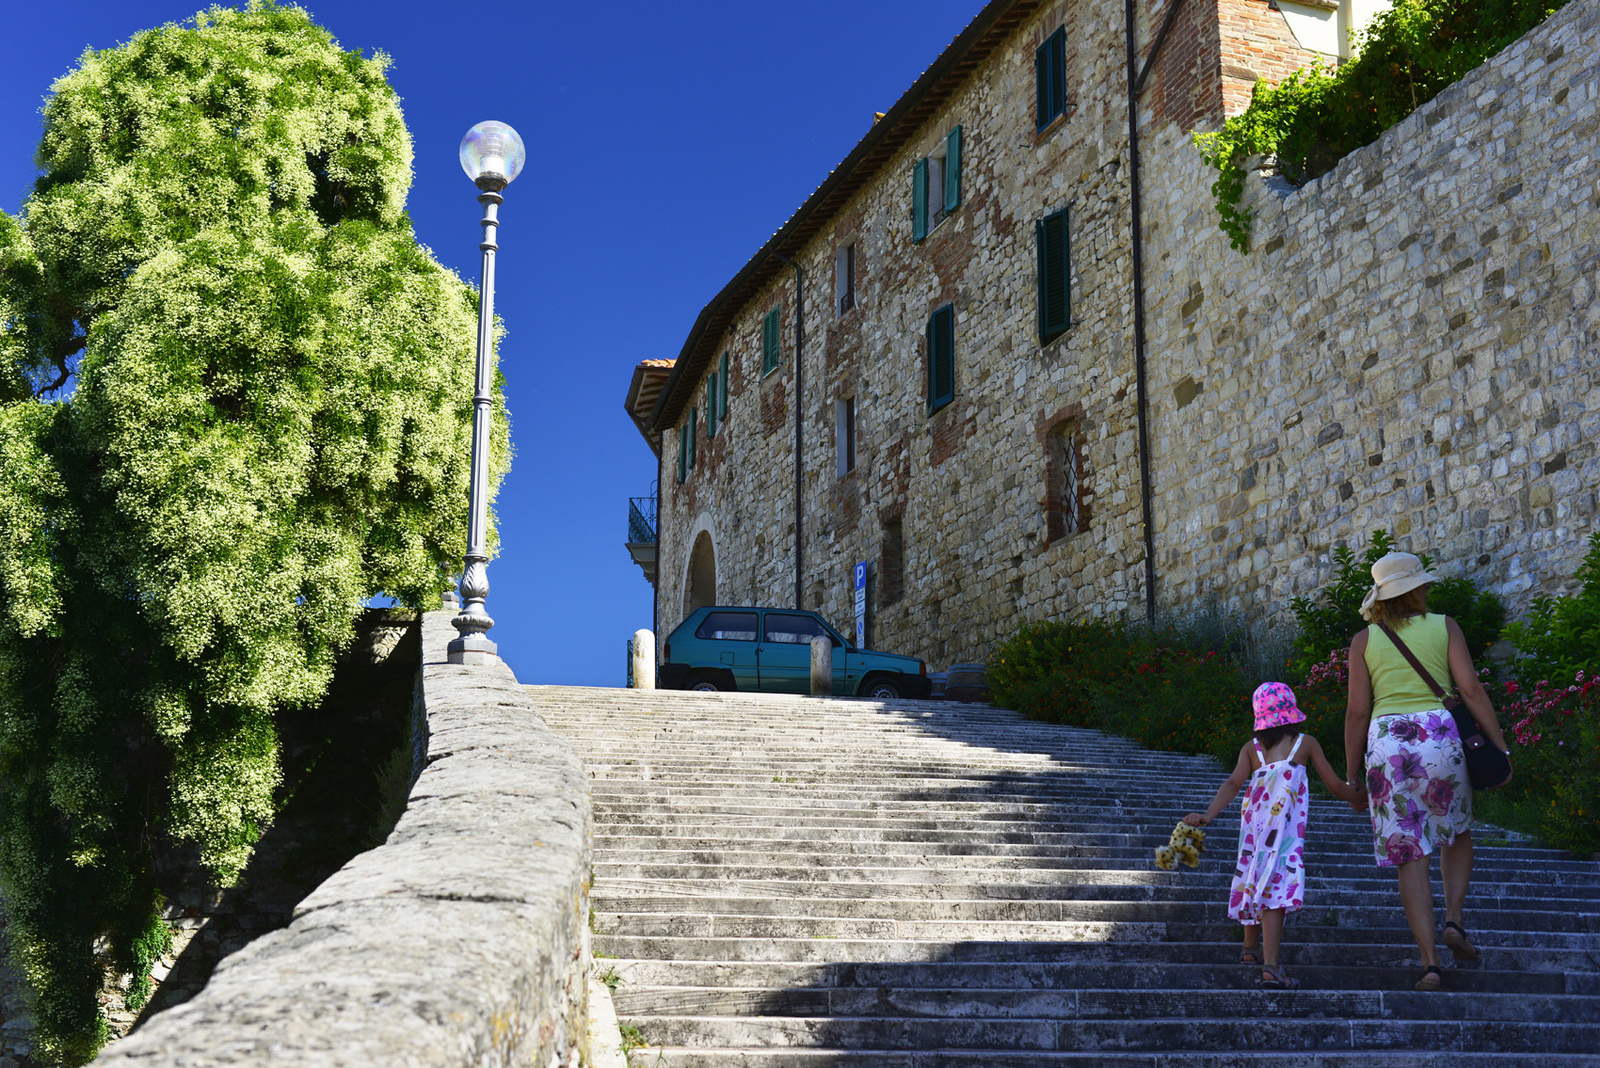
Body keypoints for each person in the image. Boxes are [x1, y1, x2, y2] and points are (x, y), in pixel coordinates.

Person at [1342, 551, 1513, 991]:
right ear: (1416, 589)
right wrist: (1499, 747)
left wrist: (1352, 776)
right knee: (1455, 832)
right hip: (1440, 737)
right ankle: (1453, 919)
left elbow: (1357, 712)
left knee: (1409, 855)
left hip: (1386, 745)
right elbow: (1470, 690)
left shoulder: (1364, 641)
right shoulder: (1444, 626)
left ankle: (1430, 964)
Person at [1186, 682, 1362, 988]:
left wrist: (1208, 814)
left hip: (1254, 832)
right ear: (1292, 713)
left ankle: (1249, 949)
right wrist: (1361, 797)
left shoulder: (1251, 750)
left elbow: (1232, 783)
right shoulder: (1305, 743)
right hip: (1284, 835)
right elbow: (1335, 786)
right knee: (1275, 891)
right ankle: (1271, 965)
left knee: (1253, 876)